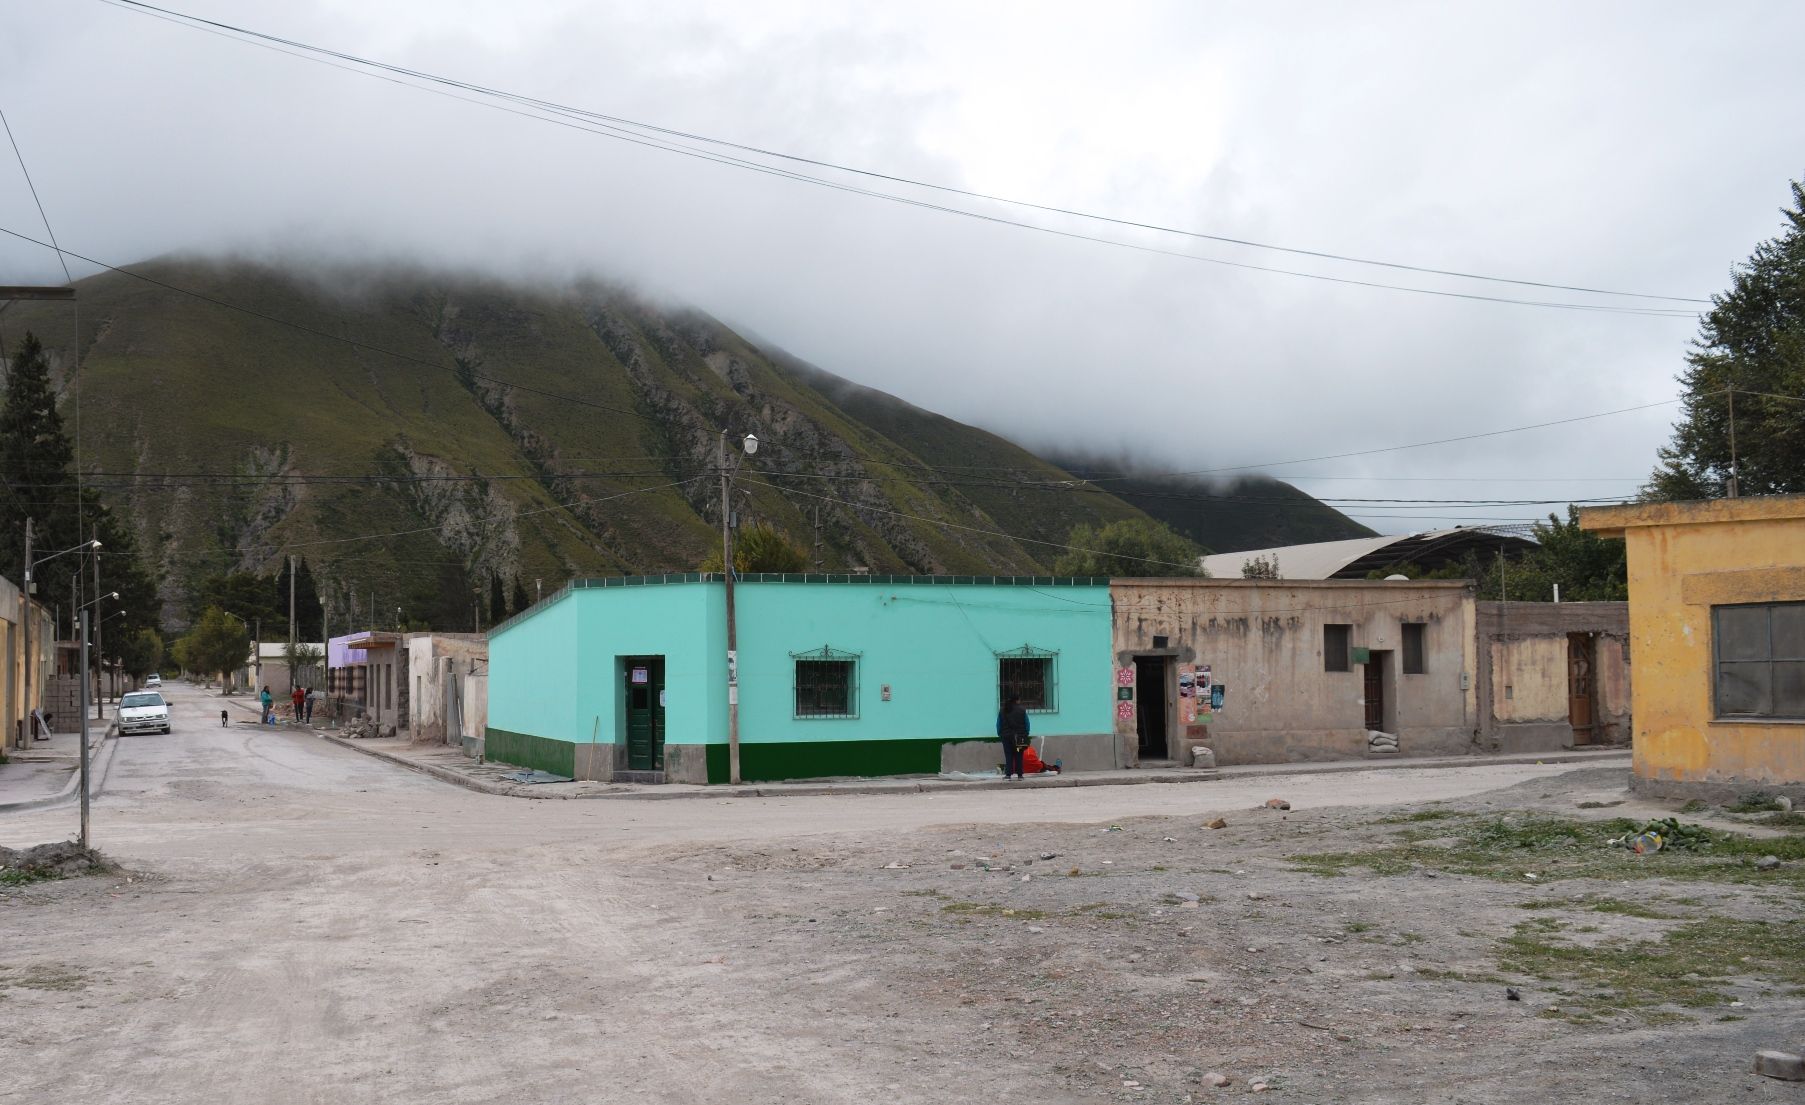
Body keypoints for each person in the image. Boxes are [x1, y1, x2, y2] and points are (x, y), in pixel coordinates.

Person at [996, 694, 1030, 780]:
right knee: (1018, 755)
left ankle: (1008, 775)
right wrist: (1026, 734)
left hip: (1006, 737)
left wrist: (1000, 734)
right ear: (1017, 700)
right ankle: (1020, 775)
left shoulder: (1002, 710)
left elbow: (998, 724)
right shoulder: (1022, 710)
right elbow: (1027, 724)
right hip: (1019, 738)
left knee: (1008, 755)